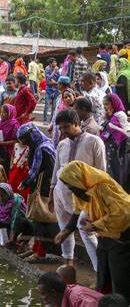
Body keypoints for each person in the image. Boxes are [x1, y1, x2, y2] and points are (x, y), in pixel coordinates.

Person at [55, 161, 130, 301]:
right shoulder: (81, 191)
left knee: (120, 279)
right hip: (104, 237)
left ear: (78, 179)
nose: (71, 189)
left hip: (121, 238)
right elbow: (77, 213)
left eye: (71, 185)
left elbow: (124, 212)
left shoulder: (103, 186)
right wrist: (65, 231)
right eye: (68, 186)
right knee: (103, 276)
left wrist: (95, 226)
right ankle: (106, 301)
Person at [51, 109, 105, 269]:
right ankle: (68, 265)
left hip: (86, 197)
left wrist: (96, 199)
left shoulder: (94, 142)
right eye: (60, 128)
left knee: (86, 231)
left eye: (66, 127)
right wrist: (51, 191)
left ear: (76, 123)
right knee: (63, 228)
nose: (63, 131)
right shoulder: (62, 144)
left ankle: (100, 272)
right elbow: (56, 170)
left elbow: (102, 173)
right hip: (60, 193)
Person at [17, 123, 59, 261]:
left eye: (23, 138)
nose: (22, 142)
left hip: (44, 187)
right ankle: (35, 248)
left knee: (41, 220)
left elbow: (37, 171)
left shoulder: (43, 148)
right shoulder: (40, 144)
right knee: (37, 219)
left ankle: (40, 253)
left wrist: (26, 182)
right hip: (41, 185)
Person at [100, 94, 128, 189]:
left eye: (107, 104)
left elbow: (109, 130)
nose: (105, 107)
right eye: (104, 105)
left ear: (114, 103)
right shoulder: (112, 115)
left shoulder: (119, 115)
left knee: (117, 170)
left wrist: (108, 118)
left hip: (118, 147)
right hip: (111, 147)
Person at [37, 272, 102, 307]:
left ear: (54, 293)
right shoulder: (61, 299)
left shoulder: (77, 298)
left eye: (43, 293)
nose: (40, 297)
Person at [0, 104, 19, 172]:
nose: (2, 114)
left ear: (11, 113)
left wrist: (2, 143)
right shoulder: (2, 122)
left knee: (4, 169)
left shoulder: (14, 124)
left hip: (7, 151)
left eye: (5, 112)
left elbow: (15, 141)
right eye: (1, 112)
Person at [44, 57, 60, 122]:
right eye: (54, 62)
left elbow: (59, 78)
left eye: (56, 62)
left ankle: (51, 120)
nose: (55, 63)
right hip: (49, 89)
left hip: (56, 89)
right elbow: (48, 79)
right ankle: (44, 120)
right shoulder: (47, 69)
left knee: (54, 106)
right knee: (47, 105)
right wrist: (54, 71)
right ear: (50, 64)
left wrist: (55, 82)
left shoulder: (57, 70)